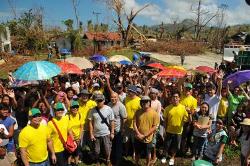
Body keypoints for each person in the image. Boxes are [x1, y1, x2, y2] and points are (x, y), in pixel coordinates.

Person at [162, 91, 191, 166]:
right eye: (173, 97)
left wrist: (190, 113)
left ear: (179, 98)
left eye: (176, 97)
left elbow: (188, 120)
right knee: (166, 145)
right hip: (168, 130)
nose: (175, 98)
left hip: (178, 131)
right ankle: (164, 156)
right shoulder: (167, 108)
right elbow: (165, 121)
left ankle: (172, 157)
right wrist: (164, 130)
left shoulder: (183, 108)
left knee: (176, 146)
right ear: (171, 98)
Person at [88, 94, 114, 166]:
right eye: (97, 101)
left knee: (107, 149)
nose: (99, 102)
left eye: (100, 100)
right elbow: (90, 123)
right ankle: (97, 161)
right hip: (96, 134)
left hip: (106, 133)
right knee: (97, 150)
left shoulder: (109, 109)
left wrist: (112, 132)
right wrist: (91, 134)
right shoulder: (92, 110)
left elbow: (112, 121)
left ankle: (108, 160)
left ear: (104, 100)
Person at [133, 96, 159, 166]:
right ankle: (136, 163)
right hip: (138, 137)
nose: (145, 103)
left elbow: (154, 127)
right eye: (143, 101)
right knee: (137, 152)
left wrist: (144, 135)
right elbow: (134, 123)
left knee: (148, 153)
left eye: (146, 101)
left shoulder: (154, 113)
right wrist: (138, 134)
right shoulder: (138, 112)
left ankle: (147, 164)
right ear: (141, 103)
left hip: (148, 138)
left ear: (149, 102)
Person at [108, 92, 127, 165]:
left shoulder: (121, 106)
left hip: (118, 130)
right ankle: (112, 158)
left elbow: (124, 118)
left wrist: (122, 129)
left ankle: (118, 161)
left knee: (118, 146)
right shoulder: (109, 104)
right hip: (110, 129)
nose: (113, 99)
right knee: (112, 145)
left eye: (115, 97)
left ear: (118, 98)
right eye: (112, 97)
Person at [124, 85, 141, 158]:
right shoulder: (126, 98)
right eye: (128, 91)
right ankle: (126, 151)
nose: (129, 92)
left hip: (135, 125)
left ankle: (134, 152)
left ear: (135, 92)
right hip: (126, 124)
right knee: (126, 140)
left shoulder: (139, 100)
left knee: (134, 141)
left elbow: (141, 112)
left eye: (130, 91)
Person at [68, 100, 83, 165]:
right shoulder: (67, 116)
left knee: (77, 153)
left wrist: (79, 137)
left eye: (76, 107)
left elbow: (82, 127)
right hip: (70, 138)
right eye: (73, 107)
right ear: (70, 108)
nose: (75, 108)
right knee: (70, 153)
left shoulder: (80, 115)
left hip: (78, 138)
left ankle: (76, 164)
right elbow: (68, 129)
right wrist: (73, 139)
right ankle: (69, 164)